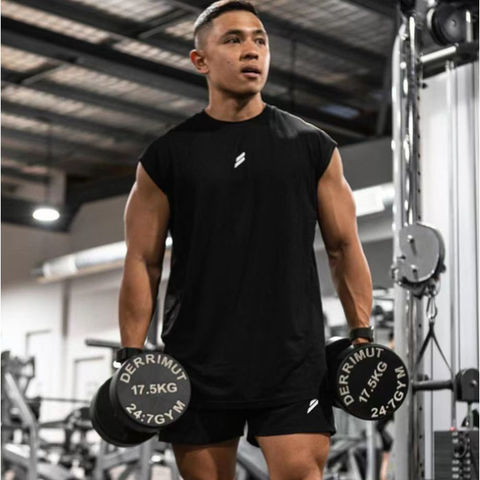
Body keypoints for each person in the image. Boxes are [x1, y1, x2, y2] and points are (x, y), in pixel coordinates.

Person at [118, 1, 373, 479]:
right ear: (201, 60)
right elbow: (142, 260)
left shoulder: (311, 146)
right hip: (199, 357)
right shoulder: (166, 156)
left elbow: (344, 247)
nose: (251, 50)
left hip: (291, 356)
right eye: (233, 40)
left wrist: (362, 333)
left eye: (260, 40)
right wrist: (131, 353)